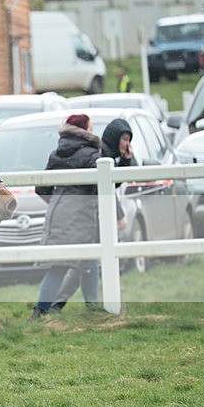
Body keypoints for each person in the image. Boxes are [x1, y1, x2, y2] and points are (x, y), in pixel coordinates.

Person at [28, 114, 126, 321]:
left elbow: (41, 188)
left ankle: (90, 308)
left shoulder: (56, 154)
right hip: (82, 215)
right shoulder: (92, 156)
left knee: (87, 262)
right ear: (85, 130)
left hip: (58, 212)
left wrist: (59, 203)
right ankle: (41, 312)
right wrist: (126, 161)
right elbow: (110, 185)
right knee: (68, 264)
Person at [48, 118, 134, 312]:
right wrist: (119, 216)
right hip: (89, 215)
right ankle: (58, 304)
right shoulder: (99, 155)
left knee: (88, 262)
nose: (127, 144)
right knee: (83, 263)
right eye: (124, 139)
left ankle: (82, 305)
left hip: (88, 214)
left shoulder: (100, 153)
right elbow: (109, 187)